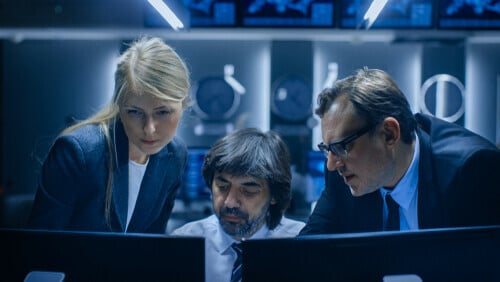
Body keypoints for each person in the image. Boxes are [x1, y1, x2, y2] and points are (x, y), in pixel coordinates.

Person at [300, 67, 500, 235]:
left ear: (389, 134)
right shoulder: (342, 177)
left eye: (342, 147)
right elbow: (305, 255)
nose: (332, 164)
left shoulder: (473, 170)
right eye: (328, 149)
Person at [28, 36, 191, 234]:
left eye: (163, 112)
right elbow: (41, 245)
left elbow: (152, 245)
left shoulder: (175, 155)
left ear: (183, 104)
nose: (149, 129)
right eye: (135, 112)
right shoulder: (78, 152)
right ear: (119, 106)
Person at [171, 128, 305, 282]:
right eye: (222, 187)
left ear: (274, 195)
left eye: (248, 191)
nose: (230, 202)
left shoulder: (301, 244)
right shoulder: (184, 242)